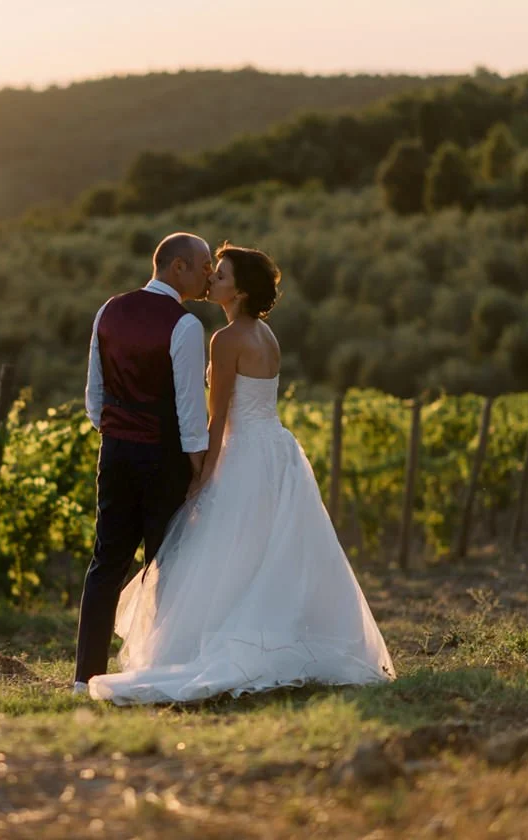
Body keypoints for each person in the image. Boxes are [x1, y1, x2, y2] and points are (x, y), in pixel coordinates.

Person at [87, 242, 395, 705]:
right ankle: (279, 639)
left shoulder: (223, 340)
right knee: (267, 557)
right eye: (211, 270)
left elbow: (214, 418)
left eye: (222, 275)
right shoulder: (265, 336)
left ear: (242, 292)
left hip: (240, 453)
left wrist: (202, 475)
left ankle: (207, 647)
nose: (212, 279)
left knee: (222, 556)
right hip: (277, 450)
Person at [73, 232, 213, 695]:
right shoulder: (185, 325)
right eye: (203, 264)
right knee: (167, 566)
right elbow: (192, 412)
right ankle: (164, 672)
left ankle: (84, 678)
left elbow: (94, 396)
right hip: (164, 457)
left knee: (105, 562)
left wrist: (116, 431)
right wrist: (198, 467)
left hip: (114, 452)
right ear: (178, 268)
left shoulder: (108, 309)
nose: (209, 272)